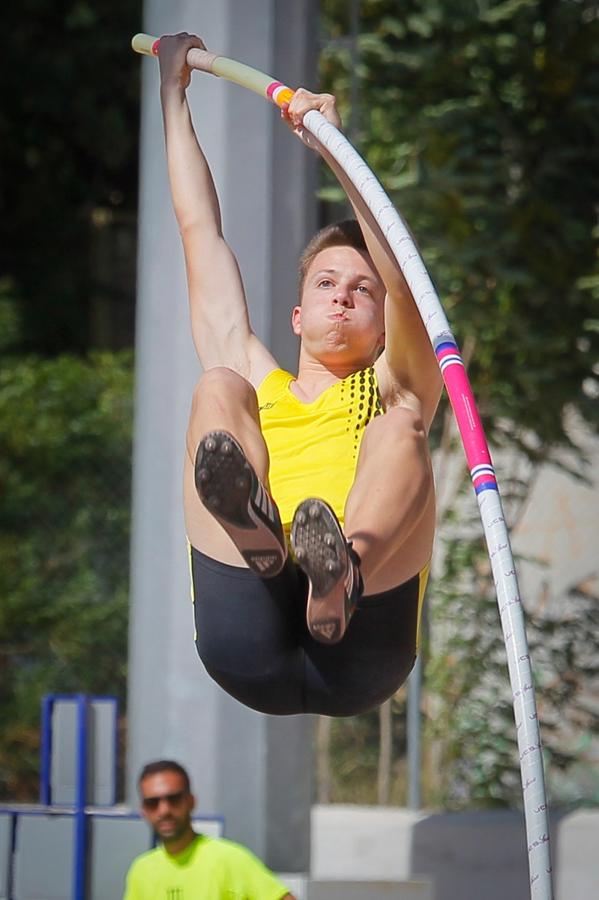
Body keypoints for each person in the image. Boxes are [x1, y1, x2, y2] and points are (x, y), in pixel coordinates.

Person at [157, 33, 443, 717]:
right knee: (217, 384)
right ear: (295, 314)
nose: (342, 295)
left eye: (361, 290)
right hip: (244, 635)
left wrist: (335, 155)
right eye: (325, 283)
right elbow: (199, 231)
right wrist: (173, 97)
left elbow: (406, 285)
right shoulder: (260, 379)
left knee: (402, 426)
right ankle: (259, 534)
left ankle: (343, 570)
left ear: (381, 327)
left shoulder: (391, 385)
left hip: (361, 647)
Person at [123, 760, 295, 899]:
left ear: (191, 801)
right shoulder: (141, 870)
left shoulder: (229, 859)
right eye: (153, 803)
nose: (164, 810)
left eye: (173, 799)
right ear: (143, 811)